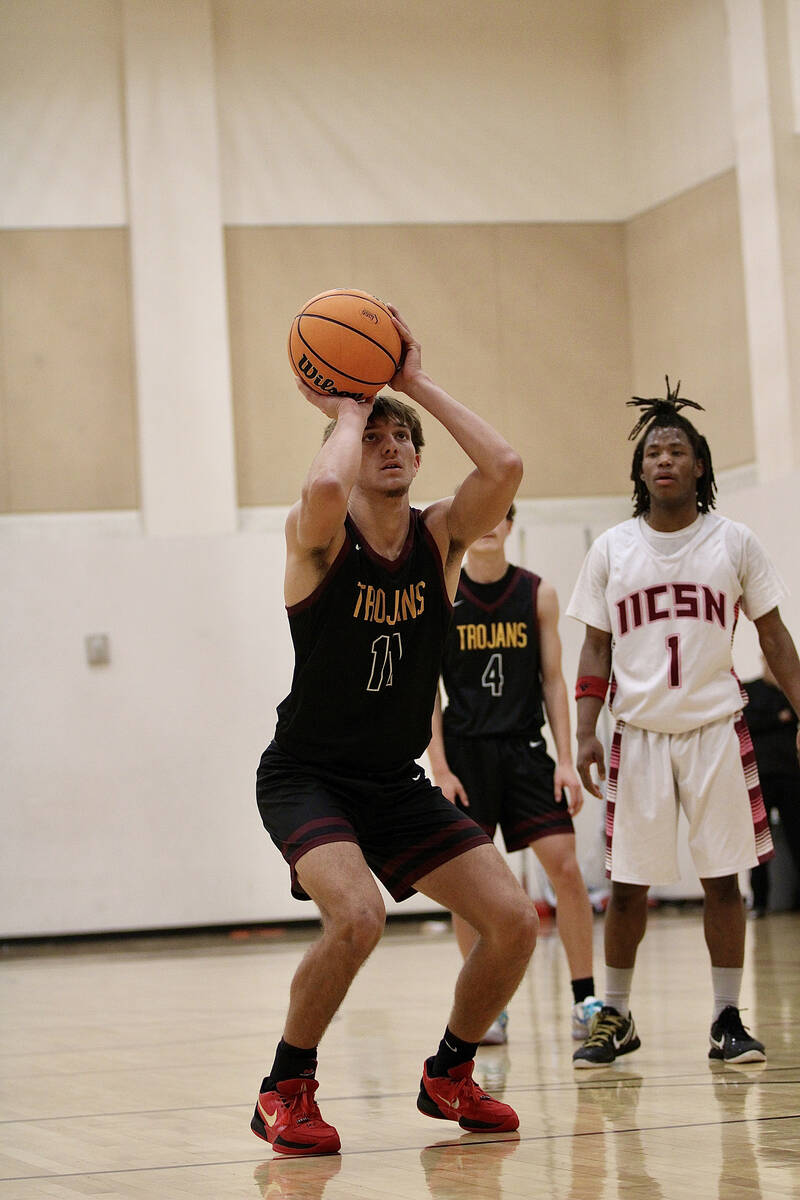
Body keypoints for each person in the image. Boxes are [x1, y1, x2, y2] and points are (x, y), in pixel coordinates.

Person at [251, 303, 539, 1156]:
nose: (389, 445)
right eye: (373, 434)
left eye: (400, 436)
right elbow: (325, 486)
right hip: (306, 772)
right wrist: (349, 404)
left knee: (516, 922)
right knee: (359, 918)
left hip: (392, 780)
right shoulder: (319, 539)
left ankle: (450, 1073)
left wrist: (410, 381)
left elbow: (507, 463)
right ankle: (285, 1087)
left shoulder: (442, 539)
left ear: (418, 456)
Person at [566, 380, 800, 1068]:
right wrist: (585, 730)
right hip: (635, 734)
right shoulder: (612, 548)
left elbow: (775, 638)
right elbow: (596, 647)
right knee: (629, 885)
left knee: (723, 879)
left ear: (700, 465)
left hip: (716, 730)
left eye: (677, 450)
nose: (664, 460)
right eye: (653, 452)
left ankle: (727, 1018)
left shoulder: (735, 542)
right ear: (640, 472)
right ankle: (616, 1015)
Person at [426, 504, 601, 1046]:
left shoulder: (537, 593)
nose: (488, 525)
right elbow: (426, 685)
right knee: (468, 888)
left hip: (525, 752)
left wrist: (567, 760)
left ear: (510, 526)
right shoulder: (442, 592)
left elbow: (553, 680)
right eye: (479, 517)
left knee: (565, 868)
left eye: (498, 516)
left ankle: (585, 998)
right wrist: (440, 765)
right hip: (466, 755)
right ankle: (487, 1009)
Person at [744, 657, 800, 916]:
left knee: (797, 838)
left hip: (791, 776)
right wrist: (779, 717)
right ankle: (760, 902)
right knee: (758, 844)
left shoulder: (792, 691)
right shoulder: (751, 690)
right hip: (760, 777)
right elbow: (747, 723)